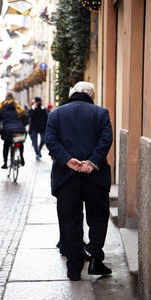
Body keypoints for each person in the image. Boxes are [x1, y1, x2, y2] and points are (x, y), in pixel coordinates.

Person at [45, 81, 113, 281]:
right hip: (95, 176)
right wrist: (91, 162)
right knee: (98, 217)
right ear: (91, 95)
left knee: (69, 220)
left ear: (72, 93)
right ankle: (95, 259)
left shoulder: (56, 114)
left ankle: (74, 268)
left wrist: (67, 160)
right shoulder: (101, 113)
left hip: (66, 177)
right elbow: (105, 139)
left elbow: (51, 140)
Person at [0, 92, 28, 169]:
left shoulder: (2, 108)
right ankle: (22, 156)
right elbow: (25, 120)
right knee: (19, 142)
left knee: (6, 145)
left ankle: (5, 163)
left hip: (8, 131)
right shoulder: (18, 107)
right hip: (20, 130)